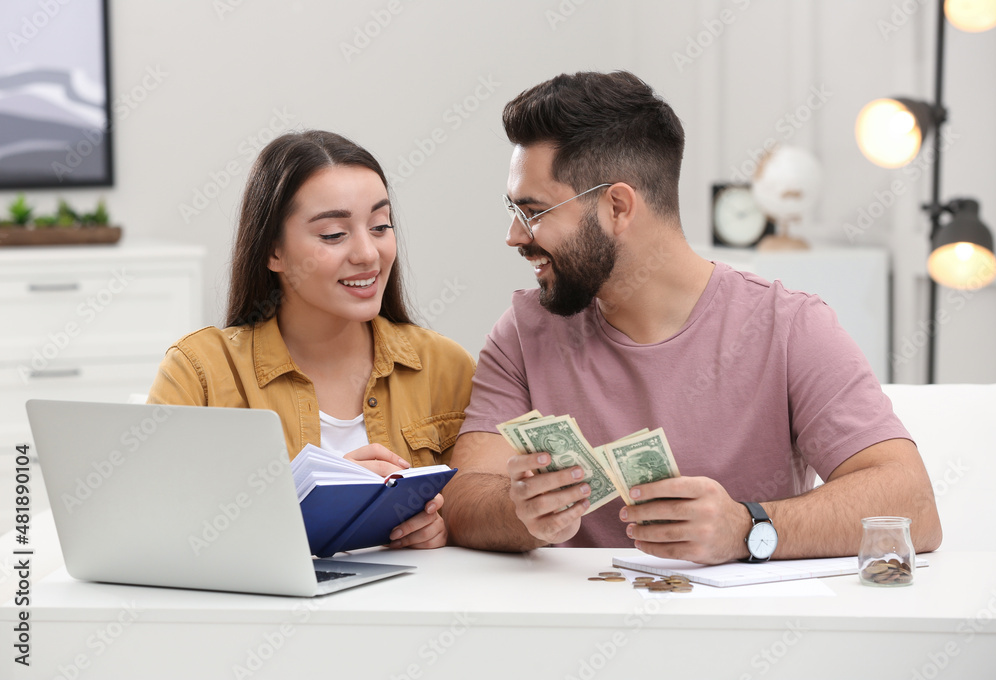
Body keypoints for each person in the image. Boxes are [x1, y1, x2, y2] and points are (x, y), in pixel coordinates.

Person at [441, 71, 942, 564]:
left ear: (617, 206)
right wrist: (517, 512)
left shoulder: (790, 327)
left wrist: (746, 529)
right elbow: (460, 500)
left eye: (533, 211)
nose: (513, 235)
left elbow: (913, 507)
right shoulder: (524, 333)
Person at [148, 130, 476, 550]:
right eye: (334, 235)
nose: (368, 254)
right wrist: (305, 498)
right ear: (273, 252)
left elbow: (478, 508)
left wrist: (446, 531)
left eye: (380, 226)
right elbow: (156, 529)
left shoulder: (447, 367)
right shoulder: (200, 371)